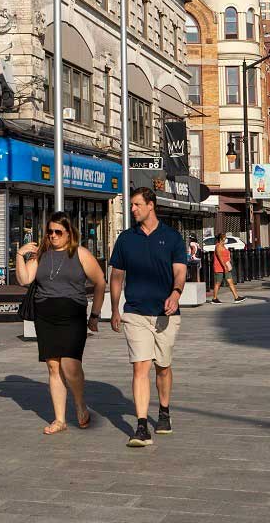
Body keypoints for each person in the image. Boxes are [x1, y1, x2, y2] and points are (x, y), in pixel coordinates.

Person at [109, 187, 187, 448]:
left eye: (136, 205)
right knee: (140, 366)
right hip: (135, 312)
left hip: (166, 313)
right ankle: (141, 426)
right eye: (131, 205)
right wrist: (115, 309)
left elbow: (180, 272)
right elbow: (117, 276)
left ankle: (163, 412)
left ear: (151, 205)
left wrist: (176, 293)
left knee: (162, 367)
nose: (132, 209)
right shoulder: (125, 239)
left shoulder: (173, 238)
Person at [15, 212, 106, 435]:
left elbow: (100, 282)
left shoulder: (80, 254)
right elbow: (25, 279)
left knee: (70, 366)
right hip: (45, 315)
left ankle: (79, 404)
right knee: (53, 366)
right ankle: (60, 419)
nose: (53, 236)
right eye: (50, 231)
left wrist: (95, 314)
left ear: (69, 233)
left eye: (58, 232)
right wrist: (19, 255)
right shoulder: (42, 254)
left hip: (72, 314)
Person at [211, 235, 244, 304]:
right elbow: (220, 258)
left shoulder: (223, 246)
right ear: (221, 239)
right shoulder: (218, 246)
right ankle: (214, 298)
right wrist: (224, 267)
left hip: (226, 267)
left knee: (230, 282)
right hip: (219, 268)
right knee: (218, 283)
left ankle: (236, 297)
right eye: (224, 238)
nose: (226, 239)